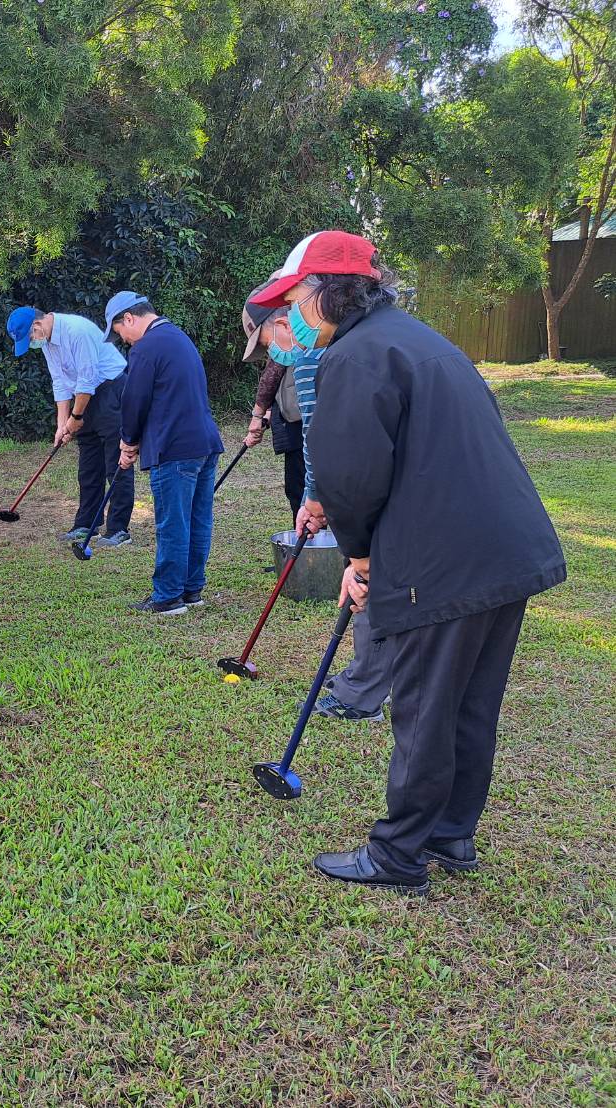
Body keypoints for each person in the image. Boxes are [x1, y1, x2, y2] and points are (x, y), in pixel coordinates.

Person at [250, 229, 566, 895]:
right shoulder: (413, 338)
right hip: (504, 551)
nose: (292, 315)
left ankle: (397, 856)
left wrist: (360, 560)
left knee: (424, 709)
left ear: (325, 292)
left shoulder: (353, 357)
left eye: (295, 296)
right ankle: (450, 835)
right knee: (467, 706)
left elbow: (352, 480)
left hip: (445, 560)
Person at [248, 284, 391, 724]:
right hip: (378, 481)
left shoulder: (312, 359)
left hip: (364, 488)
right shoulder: (346, 344)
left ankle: (364, 692)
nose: (272, 355)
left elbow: (319, 441)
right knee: (370, 578)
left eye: (267, 344)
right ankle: (364, 677)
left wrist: (314, 499)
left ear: (282, 321)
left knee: (368, 581)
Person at [106, 291, 224, 615]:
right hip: (204, 443)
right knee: (198, 519)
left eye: (120, 333)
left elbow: (134, 401)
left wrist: (128, 442)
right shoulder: (178, 337)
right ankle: (191, 590)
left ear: (129, 318)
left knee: (173, 522)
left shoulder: (146, 347)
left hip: (174, 449)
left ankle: (168, 597)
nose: (125, 341)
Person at [5, 305, 135, 548]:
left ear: (37, 326)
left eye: (29, 338)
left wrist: (75, 418)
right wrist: (61, 424)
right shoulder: (48, 341)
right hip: (85, 397)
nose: (32, 343)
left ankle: (119, 529)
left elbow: (86, 379)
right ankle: (87, 523)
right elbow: (60, 382)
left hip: (111, 391)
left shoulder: (77, 331)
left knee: (115, 463)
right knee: (88, 466)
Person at [238, 290, 305, 520]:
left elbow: (274, 372)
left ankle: (315, 550)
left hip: (300, 427)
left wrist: (257, 416)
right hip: (292, 421)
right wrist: (266, 412)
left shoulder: (307, 341)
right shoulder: (294, 344)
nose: (270, 350)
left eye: (265, 342)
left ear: (283, 323)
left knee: (301, 491)